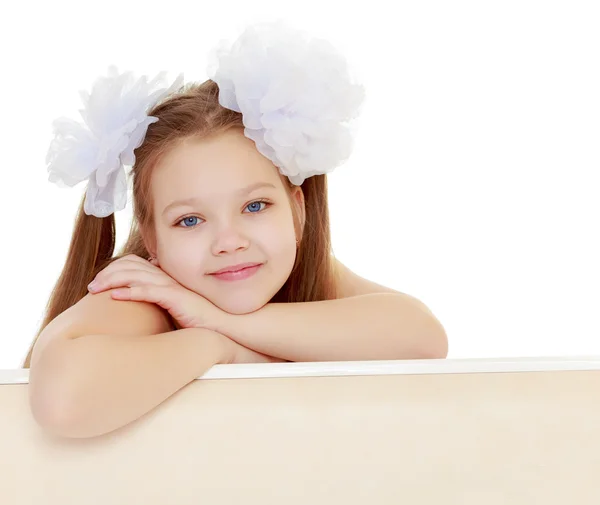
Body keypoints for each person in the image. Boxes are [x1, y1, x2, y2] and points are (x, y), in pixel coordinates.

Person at [25, 20, 447, 438]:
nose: (230, 242)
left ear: (296, 210)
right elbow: (63, 400)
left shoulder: (296, 270)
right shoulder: (143, 293)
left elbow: (422, 339)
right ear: (151, 239)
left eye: (255, 206)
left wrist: (218, 320)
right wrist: (218, 347)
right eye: (190, 220)